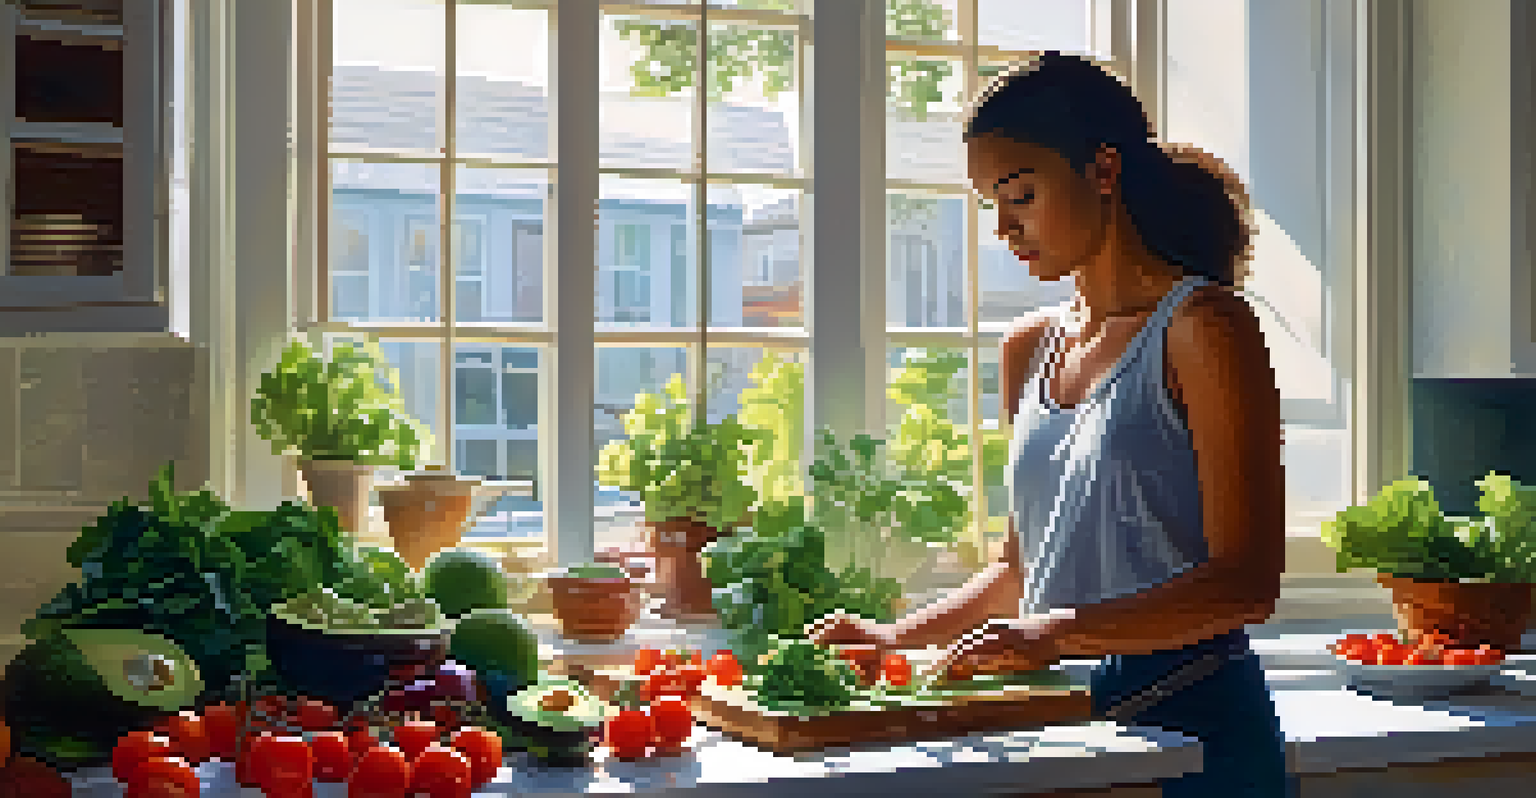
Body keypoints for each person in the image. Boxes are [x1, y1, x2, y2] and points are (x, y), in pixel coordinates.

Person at [807, 52, 1292, 797]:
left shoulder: (1206, 327)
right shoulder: (1029, 347)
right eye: (991, 206)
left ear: (1102, 170)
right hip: (1065, 729)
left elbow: (1246, 584)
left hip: (1200, 730)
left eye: (1022, 194)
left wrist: (1053, 633)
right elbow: (1020, 571)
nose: (1005, 227)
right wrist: (894, 638)